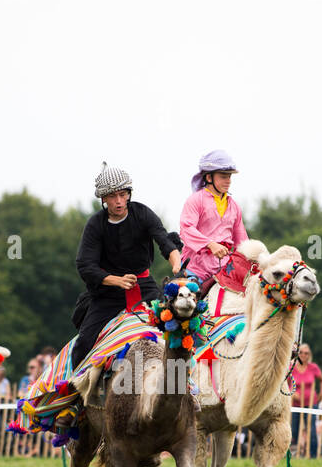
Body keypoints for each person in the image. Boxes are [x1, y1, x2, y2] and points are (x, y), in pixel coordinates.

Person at [72, 163, 181, 367]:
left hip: (145, 289)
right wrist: (117, 281)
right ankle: (76, 396)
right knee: (84, 343)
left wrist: (177, 267)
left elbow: (165, 241)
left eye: (123, 194)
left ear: (129, 194)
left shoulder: (143, 214)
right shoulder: (95, 224)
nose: (119, 201)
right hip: (107, 295)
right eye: (113, 196)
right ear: (103, 199)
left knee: (177, 328)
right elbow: (85, 265)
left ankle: (186, 382)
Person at [176, 150, 248, 293]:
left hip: (226, 270)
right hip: (196, 270)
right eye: (223, 177)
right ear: (209, 177)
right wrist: (210, 244)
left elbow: (242, 242)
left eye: (229, 177)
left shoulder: (234, 206)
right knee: (182, 306)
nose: (228, 181)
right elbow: (186, 229)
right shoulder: (195, 200)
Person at [290, 344, 322, 458]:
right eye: (301, 353)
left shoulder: (313, 367)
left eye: (306, 353)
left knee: (311, 430)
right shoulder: (292, 366)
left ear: (309, 355)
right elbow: (284, 381)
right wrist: (292, 392)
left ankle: (313, 455)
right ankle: (293, 453)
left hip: (311, 404)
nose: (304, 355)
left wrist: (321, 394)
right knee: (294, 430)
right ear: (297, 354)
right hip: (295, 404)